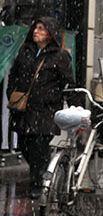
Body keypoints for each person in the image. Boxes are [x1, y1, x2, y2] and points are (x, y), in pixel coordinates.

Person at [7, 17, 79, 199]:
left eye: (41, 29)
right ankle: (44, 172)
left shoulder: (60, 56)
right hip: (23, 110)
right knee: (24, 145)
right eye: (36, 28)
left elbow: (68, 84)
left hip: (45, 111)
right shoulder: (26, 51)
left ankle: (38, 185)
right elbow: (14, 74)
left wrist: (76, 109)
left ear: (50, 34)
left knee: (39, 147)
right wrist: (12, 93)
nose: (36, 31)